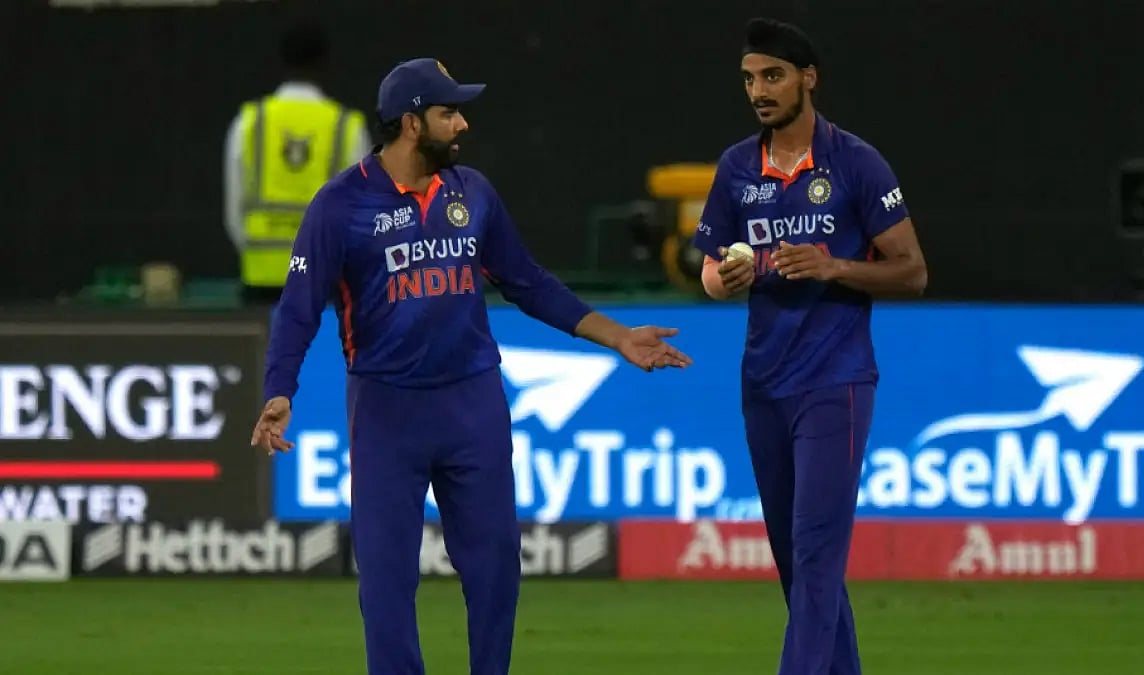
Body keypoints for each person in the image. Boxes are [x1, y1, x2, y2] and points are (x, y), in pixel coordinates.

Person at [249, 57, 692, 675]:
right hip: (386, 410)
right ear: (411, 123)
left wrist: (616, 337)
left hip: (473, 403)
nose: (462, 125)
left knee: (495, 569)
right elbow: (298, 308)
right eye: (448, 113)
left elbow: (527, 281)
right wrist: (280, 390)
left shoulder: (472, 192)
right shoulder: (339, 205)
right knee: (386, 579)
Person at [691, 18, 928, 675]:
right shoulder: (738, 167)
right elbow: (709, 271)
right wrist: (726, 279)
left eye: (773, 76)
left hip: (835, 380)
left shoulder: (855, 162)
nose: (759, 91)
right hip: (763, 384)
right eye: (749, 79)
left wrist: (833, 267)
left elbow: (912, 271)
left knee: (817, 555)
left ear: (808, 78)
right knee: (798, 567)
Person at [224, 21, 371, 305]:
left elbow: (234, 210)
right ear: (325, 64)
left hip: (261, 281)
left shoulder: (250, 122)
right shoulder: (346, 127)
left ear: (281, 62)